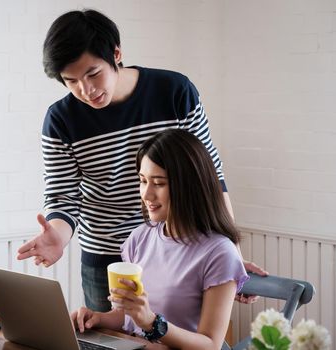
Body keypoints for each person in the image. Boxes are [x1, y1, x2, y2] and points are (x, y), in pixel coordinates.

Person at [17, 9, 265, 312]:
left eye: (93, 74)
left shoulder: (174, 93)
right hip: (107, 257)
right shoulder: (60, 121)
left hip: (179, 251)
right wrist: (58, 235)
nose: (86, 90)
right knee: (108, 342)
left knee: (179, 339)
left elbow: (210, 177)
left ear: (116, 53)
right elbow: (63, 198)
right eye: (72, 81)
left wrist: (232, 255)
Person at [72, 129, 249, 349]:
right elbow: (127, 317)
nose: (146, 194)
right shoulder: (139, 238)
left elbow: (210, 345)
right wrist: (97, 318)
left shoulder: (220, 253)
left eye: (158, 183)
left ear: (189, 185)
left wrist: (152, 323)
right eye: (143, 181)